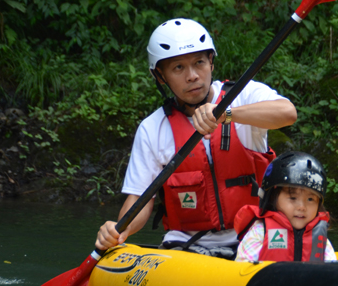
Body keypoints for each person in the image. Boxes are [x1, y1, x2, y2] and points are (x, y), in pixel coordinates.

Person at [95, 18, 297, 257]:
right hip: (186, 247)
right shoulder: (152, 128)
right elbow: (139, 199)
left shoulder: (244, 95)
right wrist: (118, 231)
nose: (192, 76)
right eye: (178, 68)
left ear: (211, 63)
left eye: (199, 62)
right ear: (161, 76)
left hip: (254, 238)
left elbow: (287, 113)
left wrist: (227, 114)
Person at [233, 151, 336, 263]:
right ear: (273, 198)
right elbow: (242, 271)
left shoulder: (322, 241)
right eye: (293, 198)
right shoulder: (260, 232)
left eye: (310, 199)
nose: (302, 207)